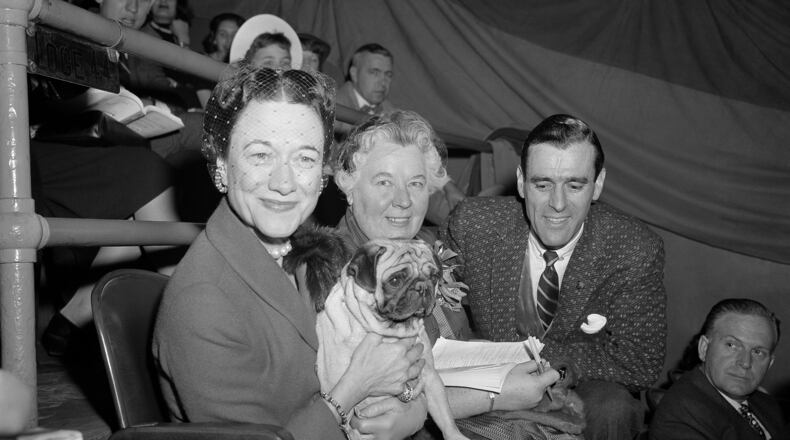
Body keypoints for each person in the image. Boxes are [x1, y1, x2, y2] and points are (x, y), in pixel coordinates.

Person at [152, 65, 428, 439]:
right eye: (261, 155)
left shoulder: (313, 253)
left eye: (304, 159)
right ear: (222, 164)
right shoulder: (202, 301)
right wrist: (354, 387)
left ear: (322, 173)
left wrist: (411, 406)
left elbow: (390, 367)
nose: (284, 183)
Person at [327, 110, 562, 435]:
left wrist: (507, 366)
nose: (403, 201)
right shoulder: (334, 276)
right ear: (349, 187)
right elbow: (366, 409)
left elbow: (453, 348)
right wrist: (493, 395)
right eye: (384, 182)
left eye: (416, 183)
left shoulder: (426, 246)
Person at [443, 114, 667, 440]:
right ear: (521, 181)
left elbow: (641, 362)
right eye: (542, 184)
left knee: (614, 407)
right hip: (486, 379)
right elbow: (436, 316)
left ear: (598, 184)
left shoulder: (633, 248)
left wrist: (548, 365)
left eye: (574, 185)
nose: (557, 204)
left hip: (576, 387)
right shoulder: (473, 225)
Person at [649, 298, 786, 439]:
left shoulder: (768, 405)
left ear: (770, 363)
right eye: (731, 345)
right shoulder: (683, 412)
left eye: (758, 352)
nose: (745, 362)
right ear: (704, 348)